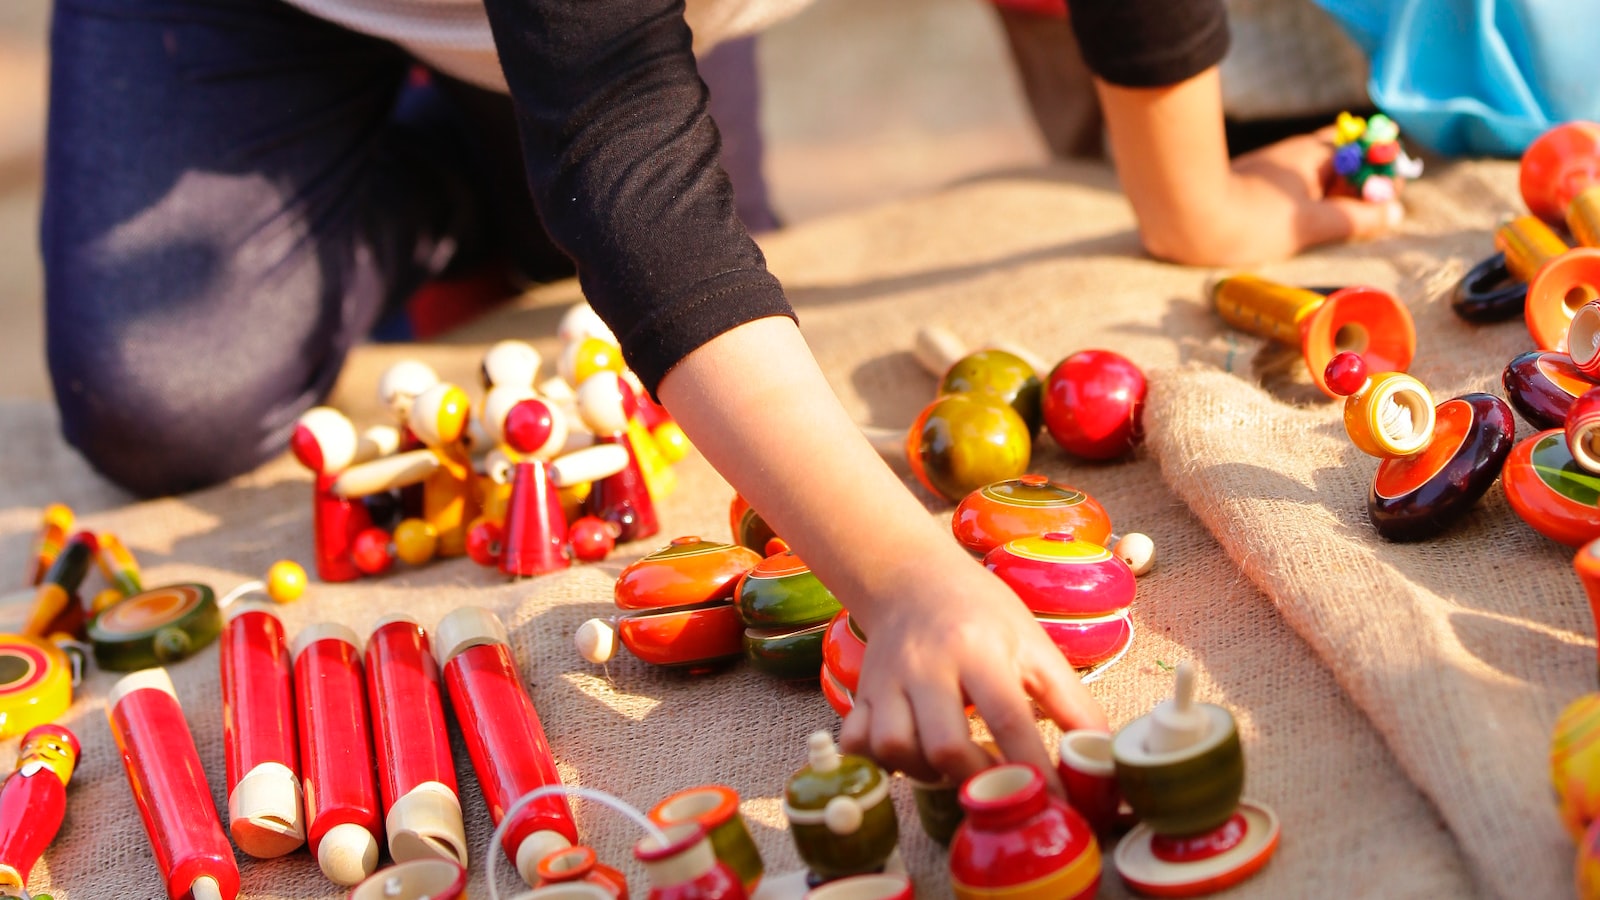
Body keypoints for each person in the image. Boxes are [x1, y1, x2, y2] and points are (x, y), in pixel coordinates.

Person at [41, 0, 1398, 790]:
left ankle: (518, 169)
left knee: (606, 198)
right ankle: (471, 164)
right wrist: (903, 573)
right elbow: (635, 164)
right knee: (163, 396)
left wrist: (1196, 199)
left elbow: (630, 134)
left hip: (617, 36)